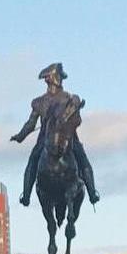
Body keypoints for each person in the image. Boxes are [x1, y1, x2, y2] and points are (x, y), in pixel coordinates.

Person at [10, 63, 101, 209]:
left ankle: (91, 191)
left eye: (60, 76)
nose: (60, 79)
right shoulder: (39, 102)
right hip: (44, 140)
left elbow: (76, 119)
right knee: (33, 161)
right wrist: (20, 136)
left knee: (82, 158)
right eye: (57, 76)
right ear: (50, 78)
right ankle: (26, 195)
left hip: (69, 139)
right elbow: (31, 124)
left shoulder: (70, 98)